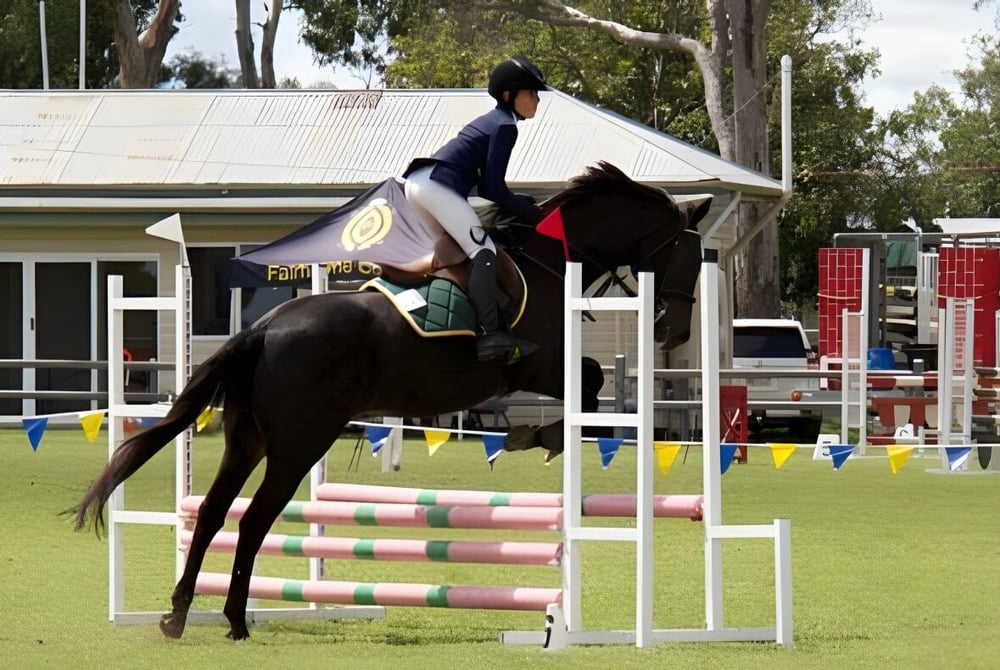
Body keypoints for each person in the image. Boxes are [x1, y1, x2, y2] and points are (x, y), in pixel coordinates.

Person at [403, 56, 548, 362]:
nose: (536, 99)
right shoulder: (506, 126)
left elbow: (488, 187)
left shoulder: (495, 121)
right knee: (484, 252)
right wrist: (532, 213)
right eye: (531, 92)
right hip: (436, 187)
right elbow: (493, 188)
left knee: (456, 253)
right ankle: (489, 333)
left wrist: (520, 202)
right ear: (509, 95)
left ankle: (451, 320)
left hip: (420, 185)